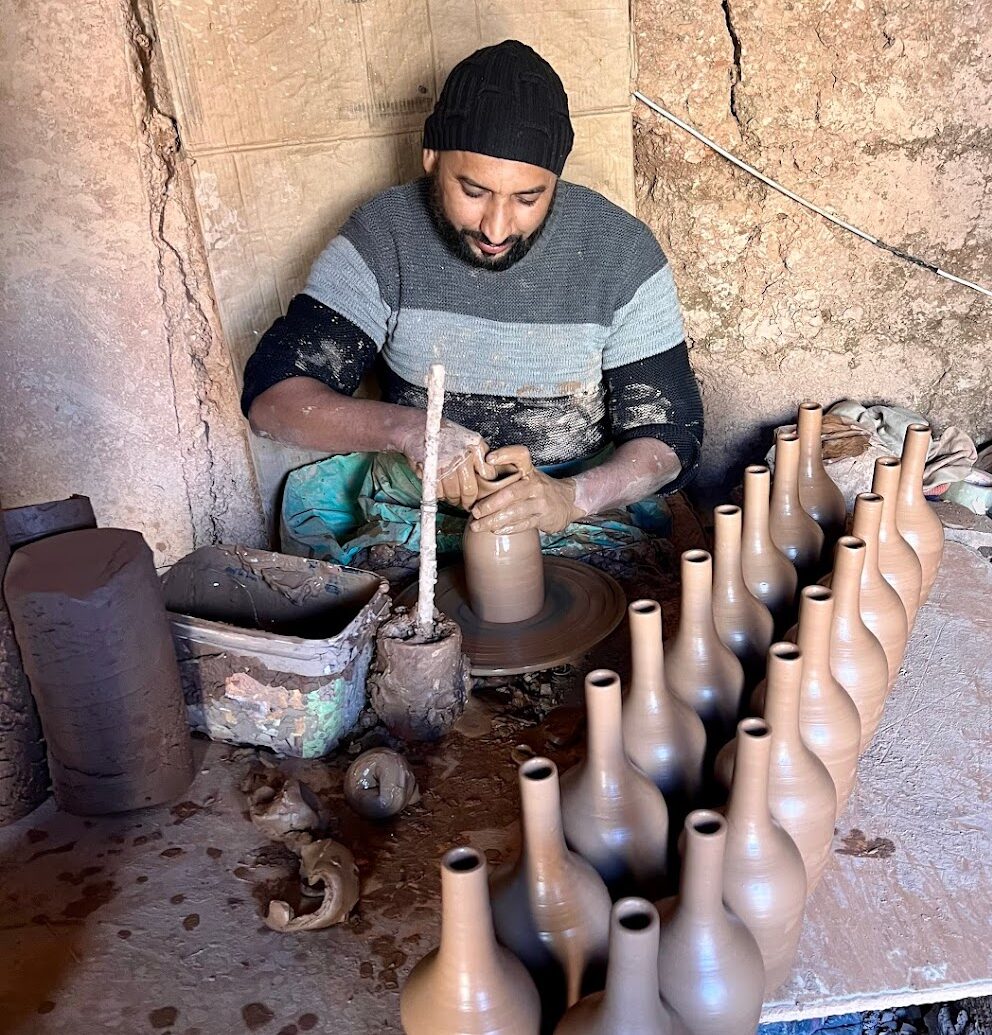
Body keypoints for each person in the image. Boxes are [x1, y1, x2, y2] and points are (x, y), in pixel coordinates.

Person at [241, 40, 703, 561]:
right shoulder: (384, 237)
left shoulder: (620, 252)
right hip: (414, 504)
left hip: (572, 506)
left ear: (556, 180)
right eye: (474, 190)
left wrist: (572, 497)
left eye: (529, 198)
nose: (496, 227)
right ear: (432, 157)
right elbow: (272, 402)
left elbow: (671, 437)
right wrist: (414, 432)